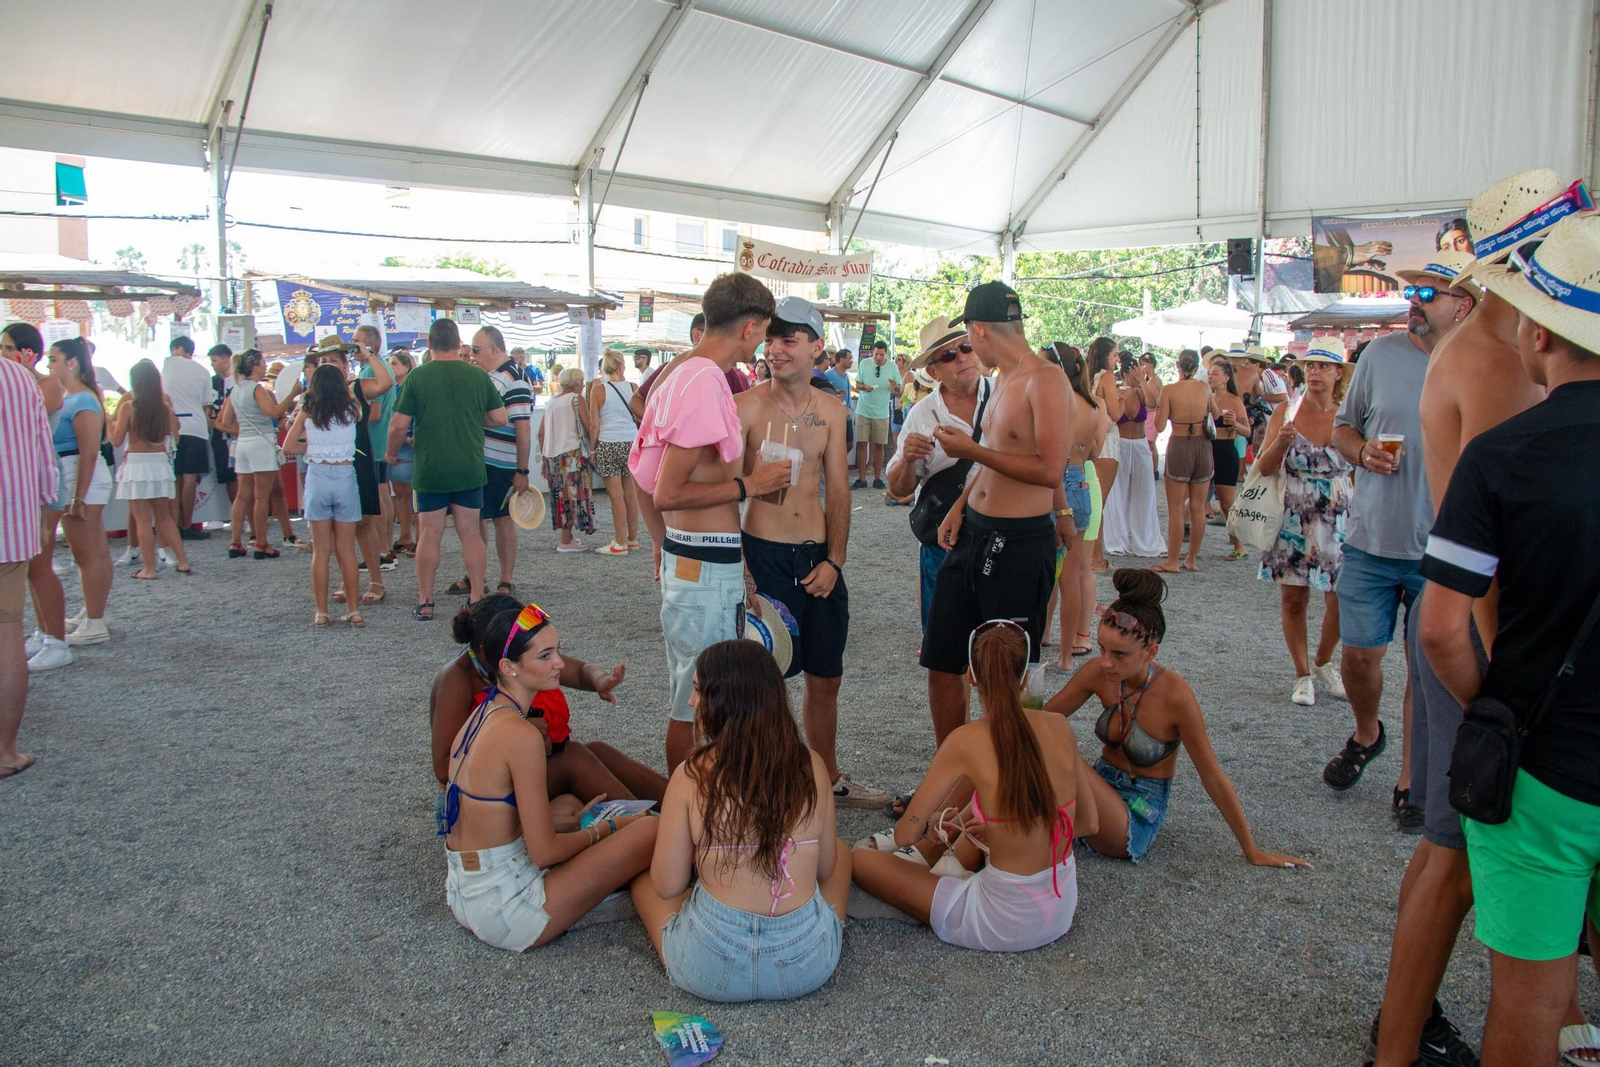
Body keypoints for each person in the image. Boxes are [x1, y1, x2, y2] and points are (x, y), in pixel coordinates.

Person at [1369, 173, 1584, 1067]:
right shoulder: (1495, 357)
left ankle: (1401, 1032)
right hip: (1486, 639)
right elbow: (1502, 556)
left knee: (1448, 853)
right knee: (1455, 853)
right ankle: (1399, 1038)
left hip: (1471, 626)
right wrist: (1502, 689)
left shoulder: (1482, 341)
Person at [1416, 213, 1600, 1067]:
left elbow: (1444, 628)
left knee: (1526, 1006)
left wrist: (1489, 709)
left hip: (1543, 765)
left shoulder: (1504, 455)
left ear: (1539, 327)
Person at [1323, 244, 1473, 806]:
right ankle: (1368, 734)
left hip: (1443, 548)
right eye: (1410, 291)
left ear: (1463, 306)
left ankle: (1412, 778)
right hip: (1372, 540)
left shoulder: (1479, 364)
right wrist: (1362, 454)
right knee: (1360, 656)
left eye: (1427, 293)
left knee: (1424, 669)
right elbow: (1343, 429)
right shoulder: (1379, 356)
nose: (1414, 301)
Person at [628, 274, 790, 771]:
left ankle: (691, 814)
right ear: (751, 327)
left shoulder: (680, 375)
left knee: (697, 691)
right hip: (702, 563)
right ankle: (685, 814)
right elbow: (668, 489)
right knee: (698, 700)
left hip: (694, 555)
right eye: (764, 331)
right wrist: (750, 486)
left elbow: (642, 475)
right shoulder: (702, 381)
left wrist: (663, 543)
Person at [1046, 569, 1309, 868]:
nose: (1106, 662)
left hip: (1134, 814)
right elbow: (1041, 719)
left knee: (1056, 747)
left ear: (1150, 652)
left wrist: (1252, 851)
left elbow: (1212, 775)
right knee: (1040, 740)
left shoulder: (1176, 697)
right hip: (1099, 785)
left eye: (1119, 655)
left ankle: (1048, 829)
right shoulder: (1097, 672)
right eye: (1103, 648)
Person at [631, 640, 848, 1000]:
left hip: (711, 965)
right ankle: (831, 927)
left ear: (725, 701)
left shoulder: (691, 775)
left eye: (699, 690)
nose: (691, 701)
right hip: (805, 965)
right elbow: (825, 868)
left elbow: (667, 885)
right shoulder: (812, 765)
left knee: (644, 884)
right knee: (840, 853)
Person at [736, 297, 888, 809]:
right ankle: (767, 783)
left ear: (816, 346)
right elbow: (727, 492)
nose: (775, 349)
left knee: (826, 677)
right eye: (771, 339)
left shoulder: (832, 411)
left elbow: (839, 491)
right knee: (767, 682)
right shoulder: (747, 407)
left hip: (818, 557)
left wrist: (835, 560)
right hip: (763, 555)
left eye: (788, 339)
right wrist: (742, 570)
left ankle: (826, 778)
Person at [852, 620, 1088, 950]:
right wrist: (1009, 834)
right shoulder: (1059, 726)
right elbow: (1088, 822)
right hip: (1059, 909)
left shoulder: (966, 741)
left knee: (861, 860)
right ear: (1023, 678)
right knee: (980, 820)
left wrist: (934, 824)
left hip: (1001, 921)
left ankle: (921, 899)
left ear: (972, 676)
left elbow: (906, 834)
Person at [440, 601, 659, 952]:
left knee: (575, 806)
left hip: (467, 889)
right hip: (508, 906)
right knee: (649, 829)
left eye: (557, 650)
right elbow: (544, 853)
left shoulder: (484, 712)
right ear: (508, 667)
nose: (559, 663)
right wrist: (611, 828)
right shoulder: (521, 736)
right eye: (545, 656)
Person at [919, 282, 1073, 747]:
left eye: (967, 342)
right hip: (973, 534)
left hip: (1018, 543)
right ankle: (954, 771)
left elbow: (1049, 470)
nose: (967, 353)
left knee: (1004, 678)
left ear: (980, 330)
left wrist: (968, 451)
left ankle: (1007, 782)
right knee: (942, 661)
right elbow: (993, 447)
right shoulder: (1004, 375)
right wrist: (961, 508)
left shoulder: (1045, 379)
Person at [431, 594, 666, 829]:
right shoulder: (456, 679)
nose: (557, 663)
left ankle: (688, 803)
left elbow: (578, 670)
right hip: (478, 797)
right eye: (544, 654)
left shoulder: (519, 655)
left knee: (597, 751)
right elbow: (444, 769)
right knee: (573, 758)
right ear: (491, 650)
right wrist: (518, 736)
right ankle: (652, 833)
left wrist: (599, 680)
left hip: (524, 774)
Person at [385, 318, 507, 622]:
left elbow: (399, 423)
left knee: (428, 533)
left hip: (430, 468)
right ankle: (477, 597)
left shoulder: (417, 377)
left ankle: (426, 601)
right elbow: (500, 417)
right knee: (470, 534)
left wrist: (390, 452)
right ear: (458, 344)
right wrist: (476, 422)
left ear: (429, 344)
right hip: (469, 464)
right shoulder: (478, 377)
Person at [1254, 337, 1353, 708]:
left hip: (1340, 515)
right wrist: (1280, 441)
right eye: (1310, 365)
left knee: (1342, 598)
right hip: (1295, 513)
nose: (1314, 371)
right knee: (1294, 598)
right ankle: (1302, 673)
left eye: (1323, 366)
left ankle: (1324, 661)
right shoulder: (1288, 410)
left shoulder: (1349, 413)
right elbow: (1263, 468)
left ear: (1338, 373)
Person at [888, 317, 991, 636]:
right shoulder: (921, 414)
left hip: (1000, 533)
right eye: (948, 355)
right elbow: (897, 487)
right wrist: (907, 459)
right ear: (933, 372)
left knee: (997, 643)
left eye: (965, 347)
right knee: (943, 644)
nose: (961, 357)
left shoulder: (1005, 396)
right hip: (943, 541)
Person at [0, 343, 57, 776]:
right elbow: (44, 454)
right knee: (7, 633)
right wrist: (42, 510)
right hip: (11, 525)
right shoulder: (20, 378)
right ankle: (5, 751)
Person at [308, 334, 395, 607]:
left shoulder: (357, 387)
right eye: (325, 361)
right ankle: (348, 580)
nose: (329, 365)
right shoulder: (315, 394)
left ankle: (376, 580)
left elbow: (387, 382)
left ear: (346, 365)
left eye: (334, 360)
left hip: (358, 458)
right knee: (335, 528)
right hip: (329, 463)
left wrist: (368, 354)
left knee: (364, 523)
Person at [443, 326, 532, 592]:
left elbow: (523, 426)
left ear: (494, 349)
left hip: (501, 462)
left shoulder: (513, 376)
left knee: (501, 518)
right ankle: (475, 577)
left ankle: (506, 579)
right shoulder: (490, 375)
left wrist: (522, 470)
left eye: (476, 350)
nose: (472, 355)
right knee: (473, 519)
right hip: (479, 458)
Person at [4, 325, 70, 672]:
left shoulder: (44, 383)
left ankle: (57, 639)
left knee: (41, 565)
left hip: (42, 475)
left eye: (9, 346)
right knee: (29, 569)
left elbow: (30, 418)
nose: (4, 352)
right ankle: (44, 631)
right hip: (27, 474)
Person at [281, 364, 366, 627]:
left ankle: (321, 612)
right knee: (347, 549)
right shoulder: (352, 409)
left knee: (321, 550)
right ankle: (353, 609)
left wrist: (312, 446)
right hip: (345, 476)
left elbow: (287, 446)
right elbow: (356, 405)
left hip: (318, 475)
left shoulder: (309, 409)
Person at [43, 338, 114, 648]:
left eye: (53, 359)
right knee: (92, 551)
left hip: (80, 476)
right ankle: (92, 613)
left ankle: (95, 620)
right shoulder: (77, 397)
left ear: (71, 363)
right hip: (76, 475)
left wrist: (77, 497)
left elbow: (88, 452)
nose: (50, 365)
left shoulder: (82, 399)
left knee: (85, 553)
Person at [1044, 343, 1105, 666]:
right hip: (1081, 479)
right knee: (1071, 575)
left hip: (1059, 482)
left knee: (1052, 572)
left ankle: (1049, 638)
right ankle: (1067, 654)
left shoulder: (1060, 402)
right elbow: (1095, 452)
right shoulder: (1093, 405)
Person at [108, 359, 192, 580]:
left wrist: (109, 423)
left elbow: (116, 441)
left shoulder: (129, 406)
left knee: (142, 519)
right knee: (164, 517)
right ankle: (183, 561)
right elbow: (175, 437)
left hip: (137, 463)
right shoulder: (164, 407)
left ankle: (149, 568)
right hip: (159, 461)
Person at [216, 349, 300, 561]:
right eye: (263, 362)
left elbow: (225, 422)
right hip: (261, 442)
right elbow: (273, 413)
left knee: (243, 494)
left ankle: (235, 541)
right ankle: (261, 543)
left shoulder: (235, 390)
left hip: (243, 442)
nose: (265, 366)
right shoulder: (256, 389)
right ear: (255, 366)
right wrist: (292, 394)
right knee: (262, 496)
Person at [1153, 349, 1216, 573]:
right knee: (1198, 507)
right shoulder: (1205, 388)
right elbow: (1215, 415)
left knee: (1176, 509)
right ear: (1197, 367)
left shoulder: (1169, 390)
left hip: (1180, 444)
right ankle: (1192, 559)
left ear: (1178, 366)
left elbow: (1159, 426)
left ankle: (1172, 561)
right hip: (1203, 445)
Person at [1099, 349, 1163, 558]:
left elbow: (1154, 403)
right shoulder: (1116, 389)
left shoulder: (1142, 391)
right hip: (1121, 444)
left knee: (1144, 492)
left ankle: (1145, 540)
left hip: (1141, 444)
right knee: (1117, 493)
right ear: (1126, 374)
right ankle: (1117, 540)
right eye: (1134, 373)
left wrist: (1141, 382)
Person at [354, 326, 398, 576]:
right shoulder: (375, 367)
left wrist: (349, 419)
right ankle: (386, 548)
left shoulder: (373, 369)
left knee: (380, 495)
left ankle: (383, 550)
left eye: (357, 342)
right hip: (378, 441)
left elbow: (376, 412)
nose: (353, 347)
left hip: (372, 442)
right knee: (384, 493)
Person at [160, 335, 215, 538]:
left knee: (176, 478)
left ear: (179, 349)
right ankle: (187, 525)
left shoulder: (166, 365)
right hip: (196, 427)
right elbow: (207, 405)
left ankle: (174, 523)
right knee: (190, 478)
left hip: (172, 428)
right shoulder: (202, 372)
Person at [587, 351, 641, 555]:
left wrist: (593, 449)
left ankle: (619, 542)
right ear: (621, 367)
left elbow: (594, 424)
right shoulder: (633, 388)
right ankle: (632, 538)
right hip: (631, 442)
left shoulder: (598, 390)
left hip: (609, 443)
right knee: (631, 494)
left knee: (616, 496)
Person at [541, 367, 597, 551]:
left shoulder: (551, 402)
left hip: (553, 457)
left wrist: (543, 459)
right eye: (580, 382)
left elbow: (541, 433)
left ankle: (568, 538)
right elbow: (589, 425)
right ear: (574, 384)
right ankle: (565, 541)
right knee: (573, 496)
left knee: (560, 496)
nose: (582, 386)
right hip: (572, 454)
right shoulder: (575, 399)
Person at [1208, 357, 1249, 558]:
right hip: (1206, 448)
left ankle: (1239, 545)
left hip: (1225, 450)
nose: (1210, 377)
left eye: (1215, 373)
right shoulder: (1205, 396)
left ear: (1226, 378)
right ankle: (1189, 542)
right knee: (1194, 500)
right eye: (1209, 373)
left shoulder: (1234, 400)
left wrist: (1234, 424)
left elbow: (1247, 431)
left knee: (1226, 502)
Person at [1085, 338, 1121, 572]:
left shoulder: (1087, 376)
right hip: (1107, 441)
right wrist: (1123, 402)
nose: (1117, 359)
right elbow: (1116, 413)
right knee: (1098, 502)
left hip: (1090, 437)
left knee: (1092, 498)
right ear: (1105, 355)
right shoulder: (1107, 378)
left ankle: (1091, 555)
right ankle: (1095, 558)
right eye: (1115, 354)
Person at [849, 339, 899, 489]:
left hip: (882, 411)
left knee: (879, 445)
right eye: (876, 354)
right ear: (873, 353)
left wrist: (894, 386)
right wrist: (864, 387)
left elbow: (899, 390)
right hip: (864, 410)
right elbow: (857, 384)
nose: (878, 357)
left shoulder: (892, 366)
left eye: (881, 355)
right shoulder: (865, 363)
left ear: (886, 354)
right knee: (862, 443)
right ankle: (862, 478)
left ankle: (877, 478)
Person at [1229, 343, 1289, 462]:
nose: (1244, 366)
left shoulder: (1267, 374)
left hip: (1273, 417)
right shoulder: (1260, 375)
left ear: (1256, 364)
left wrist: (1260, 397)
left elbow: (1282, 396)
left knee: (1261, 450)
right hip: (1268, 418)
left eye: (1247, 363)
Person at [386, 349, 417, 555]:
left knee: (413, 494)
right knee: (400, 494)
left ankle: (418, 538)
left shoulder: (412, 388)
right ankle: (405, 535)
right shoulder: (390, 389)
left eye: (395, 363)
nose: (391, 367)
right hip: (396, 444)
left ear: (406, 366)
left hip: (411, 443)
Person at [206, 344, 238, 507]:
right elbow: (208, 408)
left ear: (226, 359)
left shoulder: (239, 381)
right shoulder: (212, 382)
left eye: (215, 360)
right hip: (220, 435)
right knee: (227, 476)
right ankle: (237, 514)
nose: (213, 364)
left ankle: (249, 515)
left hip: (238, 433)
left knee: (243, 476)